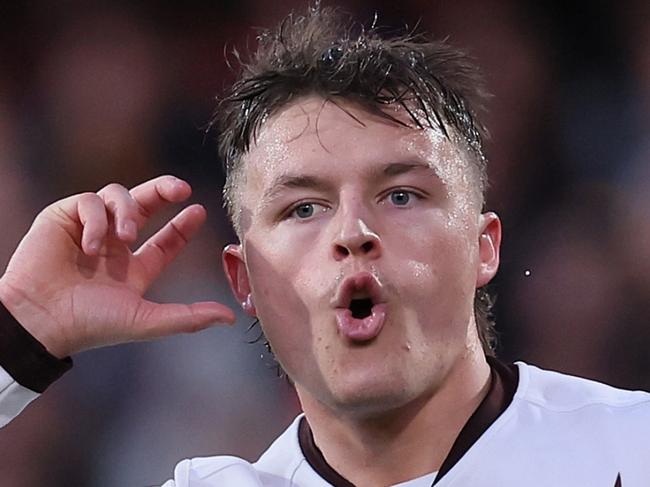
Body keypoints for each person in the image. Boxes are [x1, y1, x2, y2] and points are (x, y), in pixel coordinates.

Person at [0, 6, 648, 487]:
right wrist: (22, 333)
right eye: (303, 207)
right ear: (244, 279)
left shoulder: (633, 445)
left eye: (400, 195)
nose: (352, 233)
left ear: (484, 246)